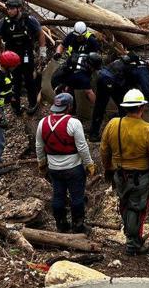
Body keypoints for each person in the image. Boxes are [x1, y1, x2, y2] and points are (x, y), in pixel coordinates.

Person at [100, 89, 149, 256]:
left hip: (119, 174)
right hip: (140, 177)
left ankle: (132, 236)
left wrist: (107, 167)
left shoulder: (113, 124)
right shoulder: (148, 129)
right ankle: (132, 243)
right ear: (142, 108)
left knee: (124, 204)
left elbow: (104, 149)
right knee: (136, 208)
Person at [35, 93, 96, 233]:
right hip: (73, 168)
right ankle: (78, 225)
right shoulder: (74, 123)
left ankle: (61, 224)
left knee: (58, 195)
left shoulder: (42, 122)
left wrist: (42, 163)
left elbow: (39, 146)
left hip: (54, 168)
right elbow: (82, 147)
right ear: (69, 107)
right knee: (77, 197)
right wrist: (89, 163)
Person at [0, 0, 46, 115]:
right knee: (14, 80)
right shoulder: (4, 22)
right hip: (11, 53)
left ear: (19, 8)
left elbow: (41, 34)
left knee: (29, 79)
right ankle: (16, 107)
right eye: (8, 9)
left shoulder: (29, 20)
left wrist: (42, 53)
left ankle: (33, 104)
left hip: (26, 51)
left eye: (12, 9)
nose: (9, 11)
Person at [51, 52, 103, 122]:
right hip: (59, 83)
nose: (95, 70)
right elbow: (89, 93)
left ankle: (70, 115)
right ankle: (61, 121)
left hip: (66, 78)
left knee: (72, 104)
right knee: (67, 105)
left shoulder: (84, 56)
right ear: (90, 66)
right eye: (95, 68)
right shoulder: (82, 77)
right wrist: (99, 108)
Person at [88, 58, 128, 141]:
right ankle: (94, 134)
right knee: (122, 106)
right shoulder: (131, 67)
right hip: (109, 81)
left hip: (107, 78)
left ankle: (93, 133)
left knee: (100, 108)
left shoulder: (118, 61)